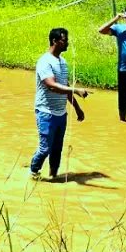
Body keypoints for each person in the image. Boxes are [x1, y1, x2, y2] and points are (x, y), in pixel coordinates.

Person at [30, 28, 90, 181]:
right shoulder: (44, 61)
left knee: (57, 149)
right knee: (45, 149)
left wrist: (77, 107)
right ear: (54, 41)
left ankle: (53, 177)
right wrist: (76, 90)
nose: (67, 43)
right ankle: (33, 172)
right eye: (64, 40)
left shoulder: (63, 62)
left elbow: (64, 86)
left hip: (61, 113)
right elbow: (51, 85)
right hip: (46, 112)